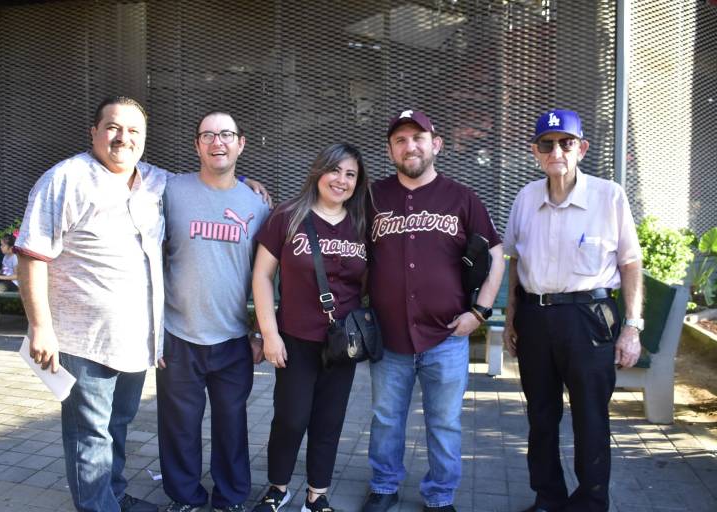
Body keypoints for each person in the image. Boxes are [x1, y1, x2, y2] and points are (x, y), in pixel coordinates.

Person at [16, 96, 166, 512]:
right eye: (114, 127)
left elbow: (204, 184)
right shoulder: (65, 178)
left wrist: (247, 185)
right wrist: (40, 327)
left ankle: (112, 494)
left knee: (117, 426)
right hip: (83, 339)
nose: (124, 138)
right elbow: (32, 255)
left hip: (136, 339)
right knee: (89, 435)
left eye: (134, 130)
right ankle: (98, 506)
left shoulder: (154, 180)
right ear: (94, 132)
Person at [361, 109, 505, 512]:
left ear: (435, 144)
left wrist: (479, 312)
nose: (411, 146)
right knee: (386, 419)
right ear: (391, 150)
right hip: (389, 337)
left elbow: (496, 254)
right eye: (401, 140)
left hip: (446, 336)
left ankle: (440, 496)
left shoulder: (461, 197)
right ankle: (385, 486)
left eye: (418, 138)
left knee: (443, 423)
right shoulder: (373, 197)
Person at [502, 109, 643, 512]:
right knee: (541, 417)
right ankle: (548, 498)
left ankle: (590, 503)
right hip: (535, 318)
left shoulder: (609, 195)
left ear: (581, 148)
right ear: (535, 152)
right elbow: (516, 262)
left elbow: (630, 263)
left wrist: (632, 326)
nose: (556, 151)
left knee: (591, 419)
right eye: (547, 144)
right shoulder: (526, 198)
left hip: (589, 318)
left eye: (566, 143)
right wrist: (512, 317)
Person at [157, 111, 270, 512]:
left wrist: (260, 331)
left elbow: (267, 276)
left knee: (231, 426)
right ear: (196, 145)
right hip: (177, 335)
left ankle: (231, 498)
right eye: (207, 135)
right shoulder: (170, 190)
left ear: (241, 143)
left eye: (226, 134)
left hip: (233, 339)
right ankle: (185, 498)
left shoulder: (257, 204)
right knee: (179, 429)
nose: (217, 141)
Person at [251, 143, 370, 512]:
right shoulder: (287, 216)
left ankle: (317, 495)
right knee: (290, 418)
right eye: (335, 171)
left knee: (329, 421)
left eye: (350, 175)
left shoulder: (364, 222)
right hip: (294, 339)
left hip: (343, 343)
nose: (342, 180)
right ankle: (278, 487)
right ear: (319, 171)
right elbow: (262, 275)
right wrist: (268, 333)